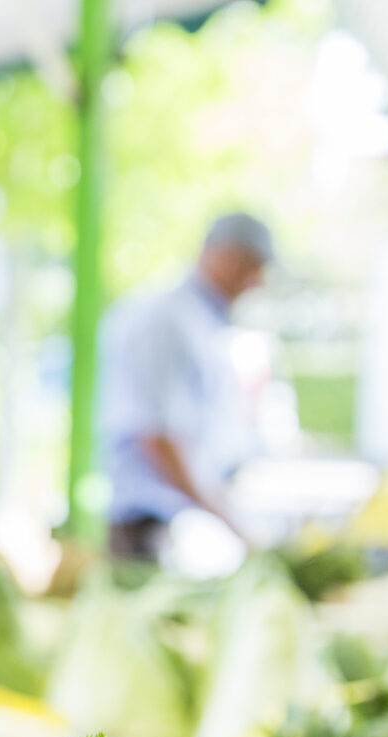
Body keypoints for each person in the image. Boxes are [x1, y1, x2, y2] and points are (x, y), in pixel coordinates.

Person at [95, 212, 274, 561]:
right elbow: (157, 437)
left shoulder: (202, 319)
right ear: (224, 255)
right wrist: (230, 523)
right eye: (251, 267)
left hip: (180, 523)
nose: (256, 283)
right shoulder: (165, 319)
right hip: (148, 531)